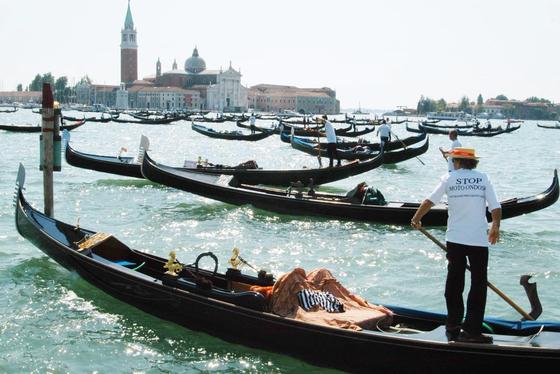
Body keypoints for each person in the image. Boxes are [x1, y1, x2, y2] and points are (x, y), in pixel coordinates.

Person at [410, 147, 501, 344]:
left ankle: (453, 324)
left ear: (457, 162)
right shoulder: (483, 178)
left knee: (454, 282)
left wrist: (417, 218)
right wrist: (495, 227)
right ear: (473, 163)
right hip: (478, 240)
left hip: (456, 239)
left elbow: (430, 200)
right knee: (478, 285)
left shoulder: (449, 178)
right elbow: (496, 206)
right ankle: (472, 331)